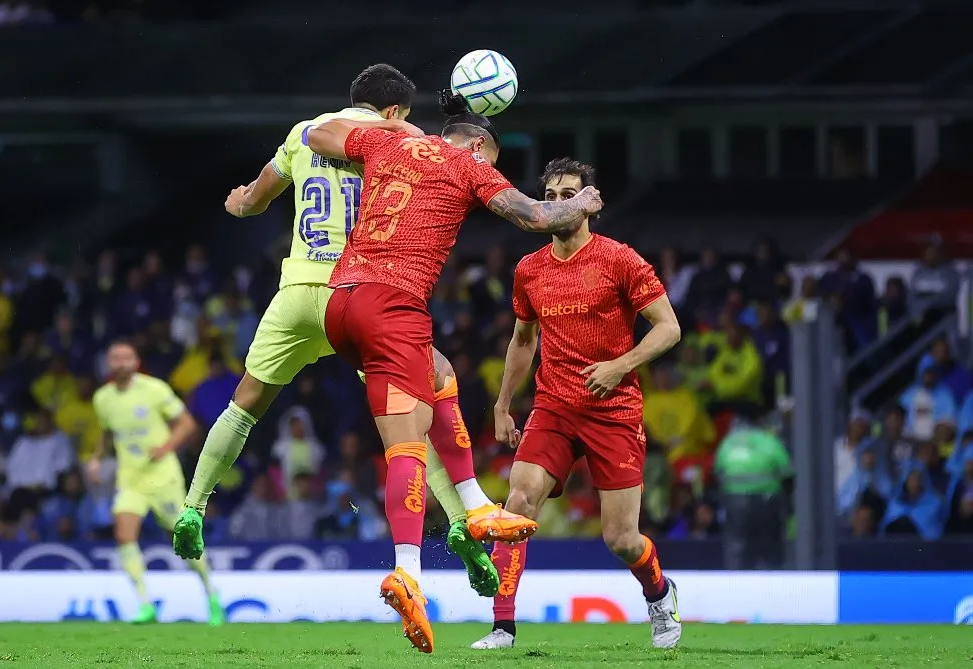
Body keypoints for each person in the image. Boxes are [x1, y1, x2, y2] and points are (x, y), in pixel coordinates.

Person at [171, 65, 532, 602]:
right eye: (404, 117)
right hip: (362, 293)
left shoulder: (303, 133)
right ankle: (463, 522)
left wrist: (238, 200)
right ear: (392, 112)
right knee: (415, 410)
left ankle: (193, 505)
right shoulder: (399, 143)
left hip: (296, 293)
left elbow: (254, 199)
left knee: (245, 402)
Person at [307, 98, 604, 652]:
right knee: (408, 445)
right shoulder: (467, 164)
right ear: (477, 146)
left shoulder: (389, 141)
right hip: (393, 305)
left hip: (340, 305)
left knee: (440, 373)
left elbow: (317, 134)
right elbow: (538, 217)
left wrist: (393, 124)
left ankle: (475, 508)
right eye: (491, 155)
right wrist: (583, 200)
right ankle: (408, 574)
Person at [468, 158, 682, 651]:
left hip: (615, 408)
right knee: (518, 502)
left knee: (620, 539)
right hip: (555, 406)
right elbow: (523, 342)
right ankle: (503, 627)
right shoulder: (529, 270)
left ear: (591, 202)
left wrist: (620, 365)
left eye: (569, 194)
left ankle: (658, 593)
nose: (560, 203)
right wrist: (503, 403)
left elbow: (669, 328)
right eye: (552, 196)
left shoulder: (620, 260)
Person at [88, 340, 224, 625]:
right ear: (108, 364)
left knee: (185, 539)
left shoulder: (154, 389)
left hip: (162, 477)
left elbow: (186, 423)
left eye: (126, 357)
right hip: (130, 479)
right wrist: (97, 459)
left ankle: (212, 595)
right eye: (115, 357)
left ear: (136, 362)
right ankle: (146, 606)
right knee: (124, 534)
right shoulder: (103, 398)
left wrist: (165, 447)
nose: (120, 362)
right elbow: (107, 431)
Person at [714, 414, 792, 570]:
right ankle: (771, 580)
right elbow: (787, 473)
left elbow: (718, 471)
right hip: (766, 501)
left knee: (737, 546)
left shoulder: (729, 442)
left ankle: (735, 581)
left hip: (734, 501)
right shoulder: (769, 440)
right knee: (768, 547)